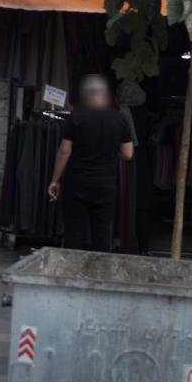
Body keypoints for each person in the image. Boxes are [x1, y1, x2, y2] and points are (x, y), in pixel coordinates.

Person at [48, 77, 133, 252]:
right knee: (102, 232)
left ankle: (72, 266)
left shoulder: (76, 117)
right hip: (105, 183)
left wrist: (55, 180)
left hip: (77, 181)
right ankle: (99, 267)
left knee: (74, 232)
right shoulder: (119, 118)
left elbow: (64, 151)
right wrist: (112, 153)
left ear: (87, 96)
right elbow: (127, 153)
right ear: (106, 95)